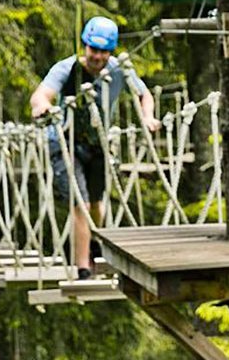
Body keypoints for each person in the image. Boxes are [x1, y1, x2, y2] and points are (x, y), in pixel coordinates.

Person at [29, 17, 159, 279]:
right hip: (65, 142)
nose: (97, 56)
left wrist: (147, 117)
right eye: (93, 50)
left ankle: (93, 244)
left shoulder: (119, 68)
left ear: (110, 51)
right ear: (85, 46)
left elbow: (144, 94)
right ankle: (83, 267)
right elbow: (40, 95)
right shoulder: (68, 68)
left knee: (98, 204)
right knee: (82, 203)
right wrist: (42, 107)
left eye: (103, 51)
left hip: (97, 143)